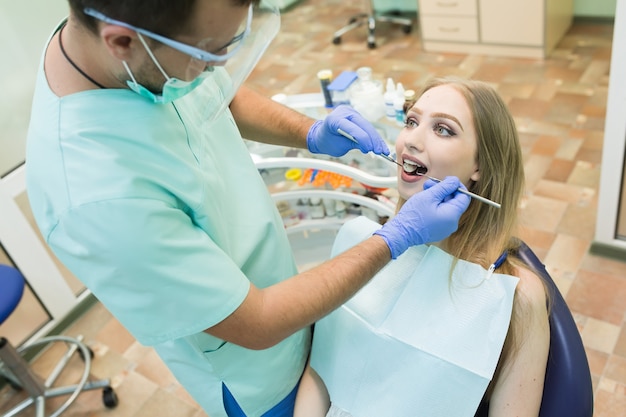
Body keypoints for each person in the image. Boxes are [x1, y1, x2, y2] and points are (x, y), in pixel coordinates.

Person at [24, 1, 471, 416]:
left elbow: (216, 93)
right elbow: (256, 323)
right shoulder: (97, 199)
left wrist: (312, 131)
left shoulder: (132, 54)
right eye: (211, 51)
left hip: (295, 312)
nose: (217, 67)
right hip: (258, 375)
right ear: (120, 41)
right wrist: (396, 236)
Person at [293, 77, 551, 417]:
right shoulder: (361, 247)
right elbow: (320, 373)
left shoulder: (515, 298)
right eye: (411, 121)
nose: (411, 139)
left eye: (443, 129)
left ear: (481, 166)